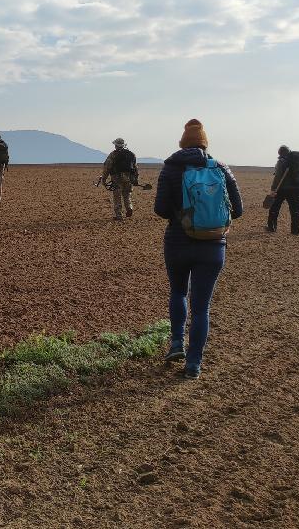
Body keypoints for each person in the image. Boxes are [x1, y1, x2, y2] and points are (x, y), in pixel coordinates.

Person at [154, 119, 243, 380]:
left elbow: (159, 209)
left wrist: (182, 214)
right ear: (205, 142)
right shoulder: (221, 168)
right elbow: (237, 210)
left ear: (182, 142)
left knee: (178, 292)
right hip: (213, 246)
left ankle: (175, 344)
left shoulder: (170, 169)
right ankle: (193, 365)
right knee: (201, 307)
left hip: (178, 242)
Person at [266, 145, 299, 235]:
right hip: (297, 189)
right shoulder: (298, 161)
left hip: (282, 189)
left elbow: (277, 177)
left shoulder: (281, 162)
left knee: (274, 208)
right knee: (296, 210)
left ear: (280, 153)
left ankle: (271, 227)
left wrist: (273, 189)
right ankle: (295, 231)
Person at [102, 138, 138, 221]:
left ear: (116, 145)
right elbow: (136, 168)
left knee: (117, 197)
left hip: (117, 179)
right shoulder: (132, 154)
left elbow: (107, 167)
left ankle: (119, 216)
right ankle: (129, 208)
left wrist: (104, 179)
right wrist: (135, 179)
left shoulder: (113, 155)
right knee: (127, 195)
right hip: (129, 179)